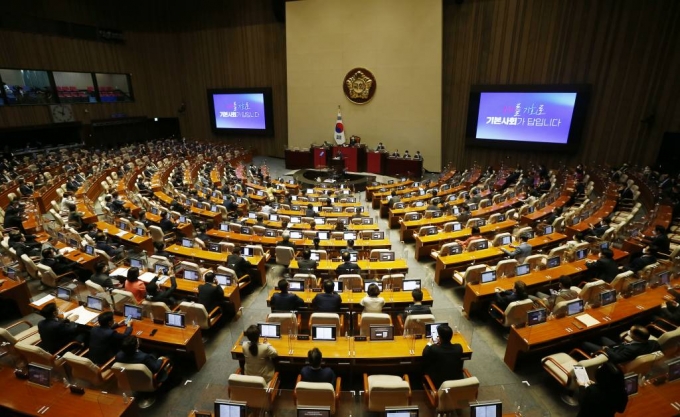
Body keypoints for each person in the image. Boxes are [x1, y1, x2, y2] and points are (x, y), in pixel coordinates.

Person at [581, 325, 660, 364]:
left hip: (611, 354)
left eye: (631, 332)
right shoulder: (654, 343)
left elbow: (618, 359)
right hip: (621, 347)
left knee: (585, 343)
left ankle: (590, 355)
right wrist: (628, 344)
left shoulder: (631, 350)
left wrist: (606, 349)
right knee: (602, 338)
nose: (629, 332)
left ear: (637, 337)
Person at [422, 324, 464, 388]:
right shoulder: (459, 348)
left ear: (439, 337)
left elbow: (424, 353)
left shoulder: (434, 349)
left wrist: (429, 343)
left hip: (439, 384)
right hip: (456, 382)